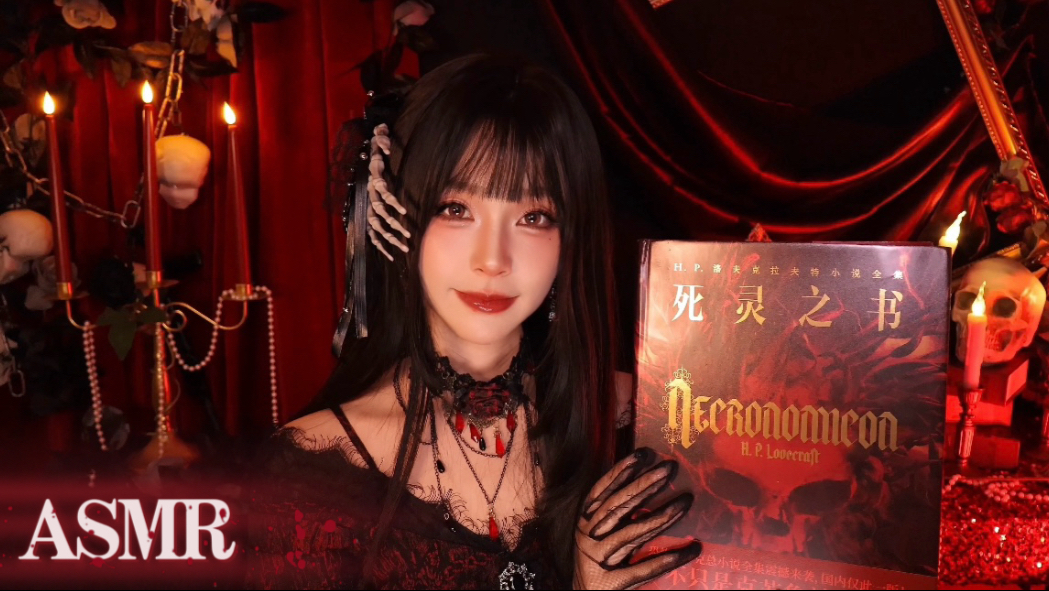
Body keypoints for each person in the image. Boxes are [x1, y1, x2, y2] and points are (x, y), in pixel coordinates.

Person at [247, 53, 701, 590]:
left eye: (533, 217)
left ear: (570, 239)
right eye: (456, 209)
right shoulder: (309, 475)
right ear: (393, 213)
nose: (492, 260)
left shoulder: (644, 422)